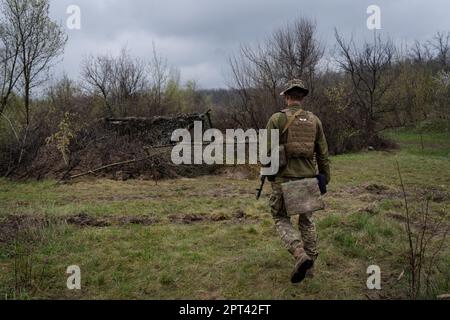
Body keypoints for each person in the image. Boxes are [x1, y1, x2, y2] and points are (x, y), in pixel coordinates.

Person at [265, 79, 331, 284]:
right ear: (302, 97)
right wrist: (324, 178)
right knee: (307, 221)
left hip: (284, 180)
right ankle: (310, 267)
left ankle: (298, 253)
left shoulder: (276, 119)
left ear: (287, 97)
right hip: (308, 178)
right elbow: (323, 154)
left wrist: (270, 175)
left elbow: (268, 153)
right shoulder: (315, 121)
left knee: (279, 216)